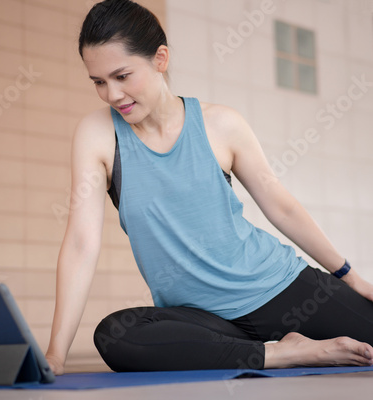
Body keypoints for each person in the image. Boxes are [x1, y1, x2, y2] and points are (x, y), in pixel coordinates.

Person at [45, 0, 373, 375]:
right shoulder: (97, 135)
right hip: (206, 322)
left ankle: (275, 346)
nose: (112, 94)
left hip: (284, 290)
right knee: (116, 335)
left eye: (122, 76)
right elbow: (81, 245)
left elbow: (281, 207)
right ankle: (282, 354)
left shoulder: (221, 124)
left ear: (160, 58)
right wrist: (55, 355)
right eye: (99, 82)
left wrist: (350, 276)